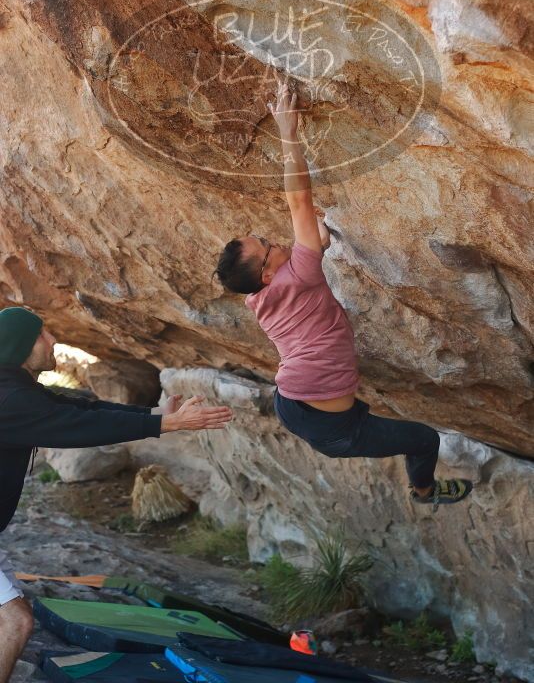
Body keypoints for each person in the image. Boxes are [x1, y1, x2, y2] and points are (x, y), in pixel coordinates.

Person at [215, 80, 472, 515]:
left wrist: (316, 239)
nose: (271, 238)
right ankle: (424, 494)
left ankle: (420, 487)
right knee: (425, 439)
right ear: (267, 272)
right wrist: (288, 133)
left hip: (296, 404)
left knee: (407, 433)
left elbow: (309, 234)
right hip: (333, 428)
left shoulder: (262, 298)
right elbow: (298, 201)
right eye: (265, 244)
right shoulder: (298, 273)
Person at [0, 306, 232, 682]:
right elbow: (80, 425)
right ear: (21, 346)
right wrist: (166, 423)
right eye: (43, 335)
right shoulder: (11, 401)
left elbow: (82, 406)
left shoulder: (16, 390)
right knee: (16, 620)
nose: (53, 339)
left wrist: (153, 413)